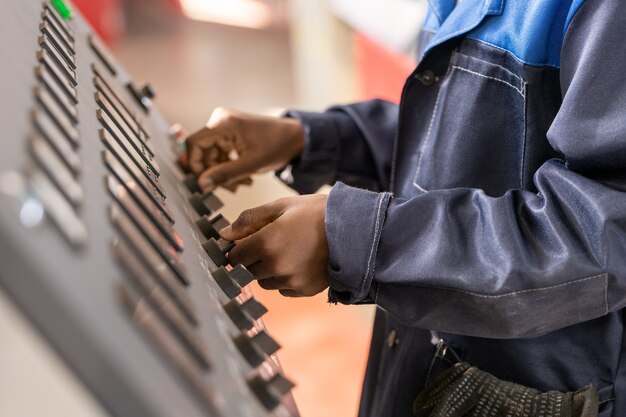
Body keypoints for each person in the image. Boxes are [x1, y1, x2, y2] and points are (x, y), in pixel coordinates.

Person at [185, 0, 626, 416]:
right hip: (424, 361)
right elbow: (459, 139)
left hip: (539, 389)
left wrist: (355, 240)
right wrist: (314, 138)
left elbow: (599, 235)